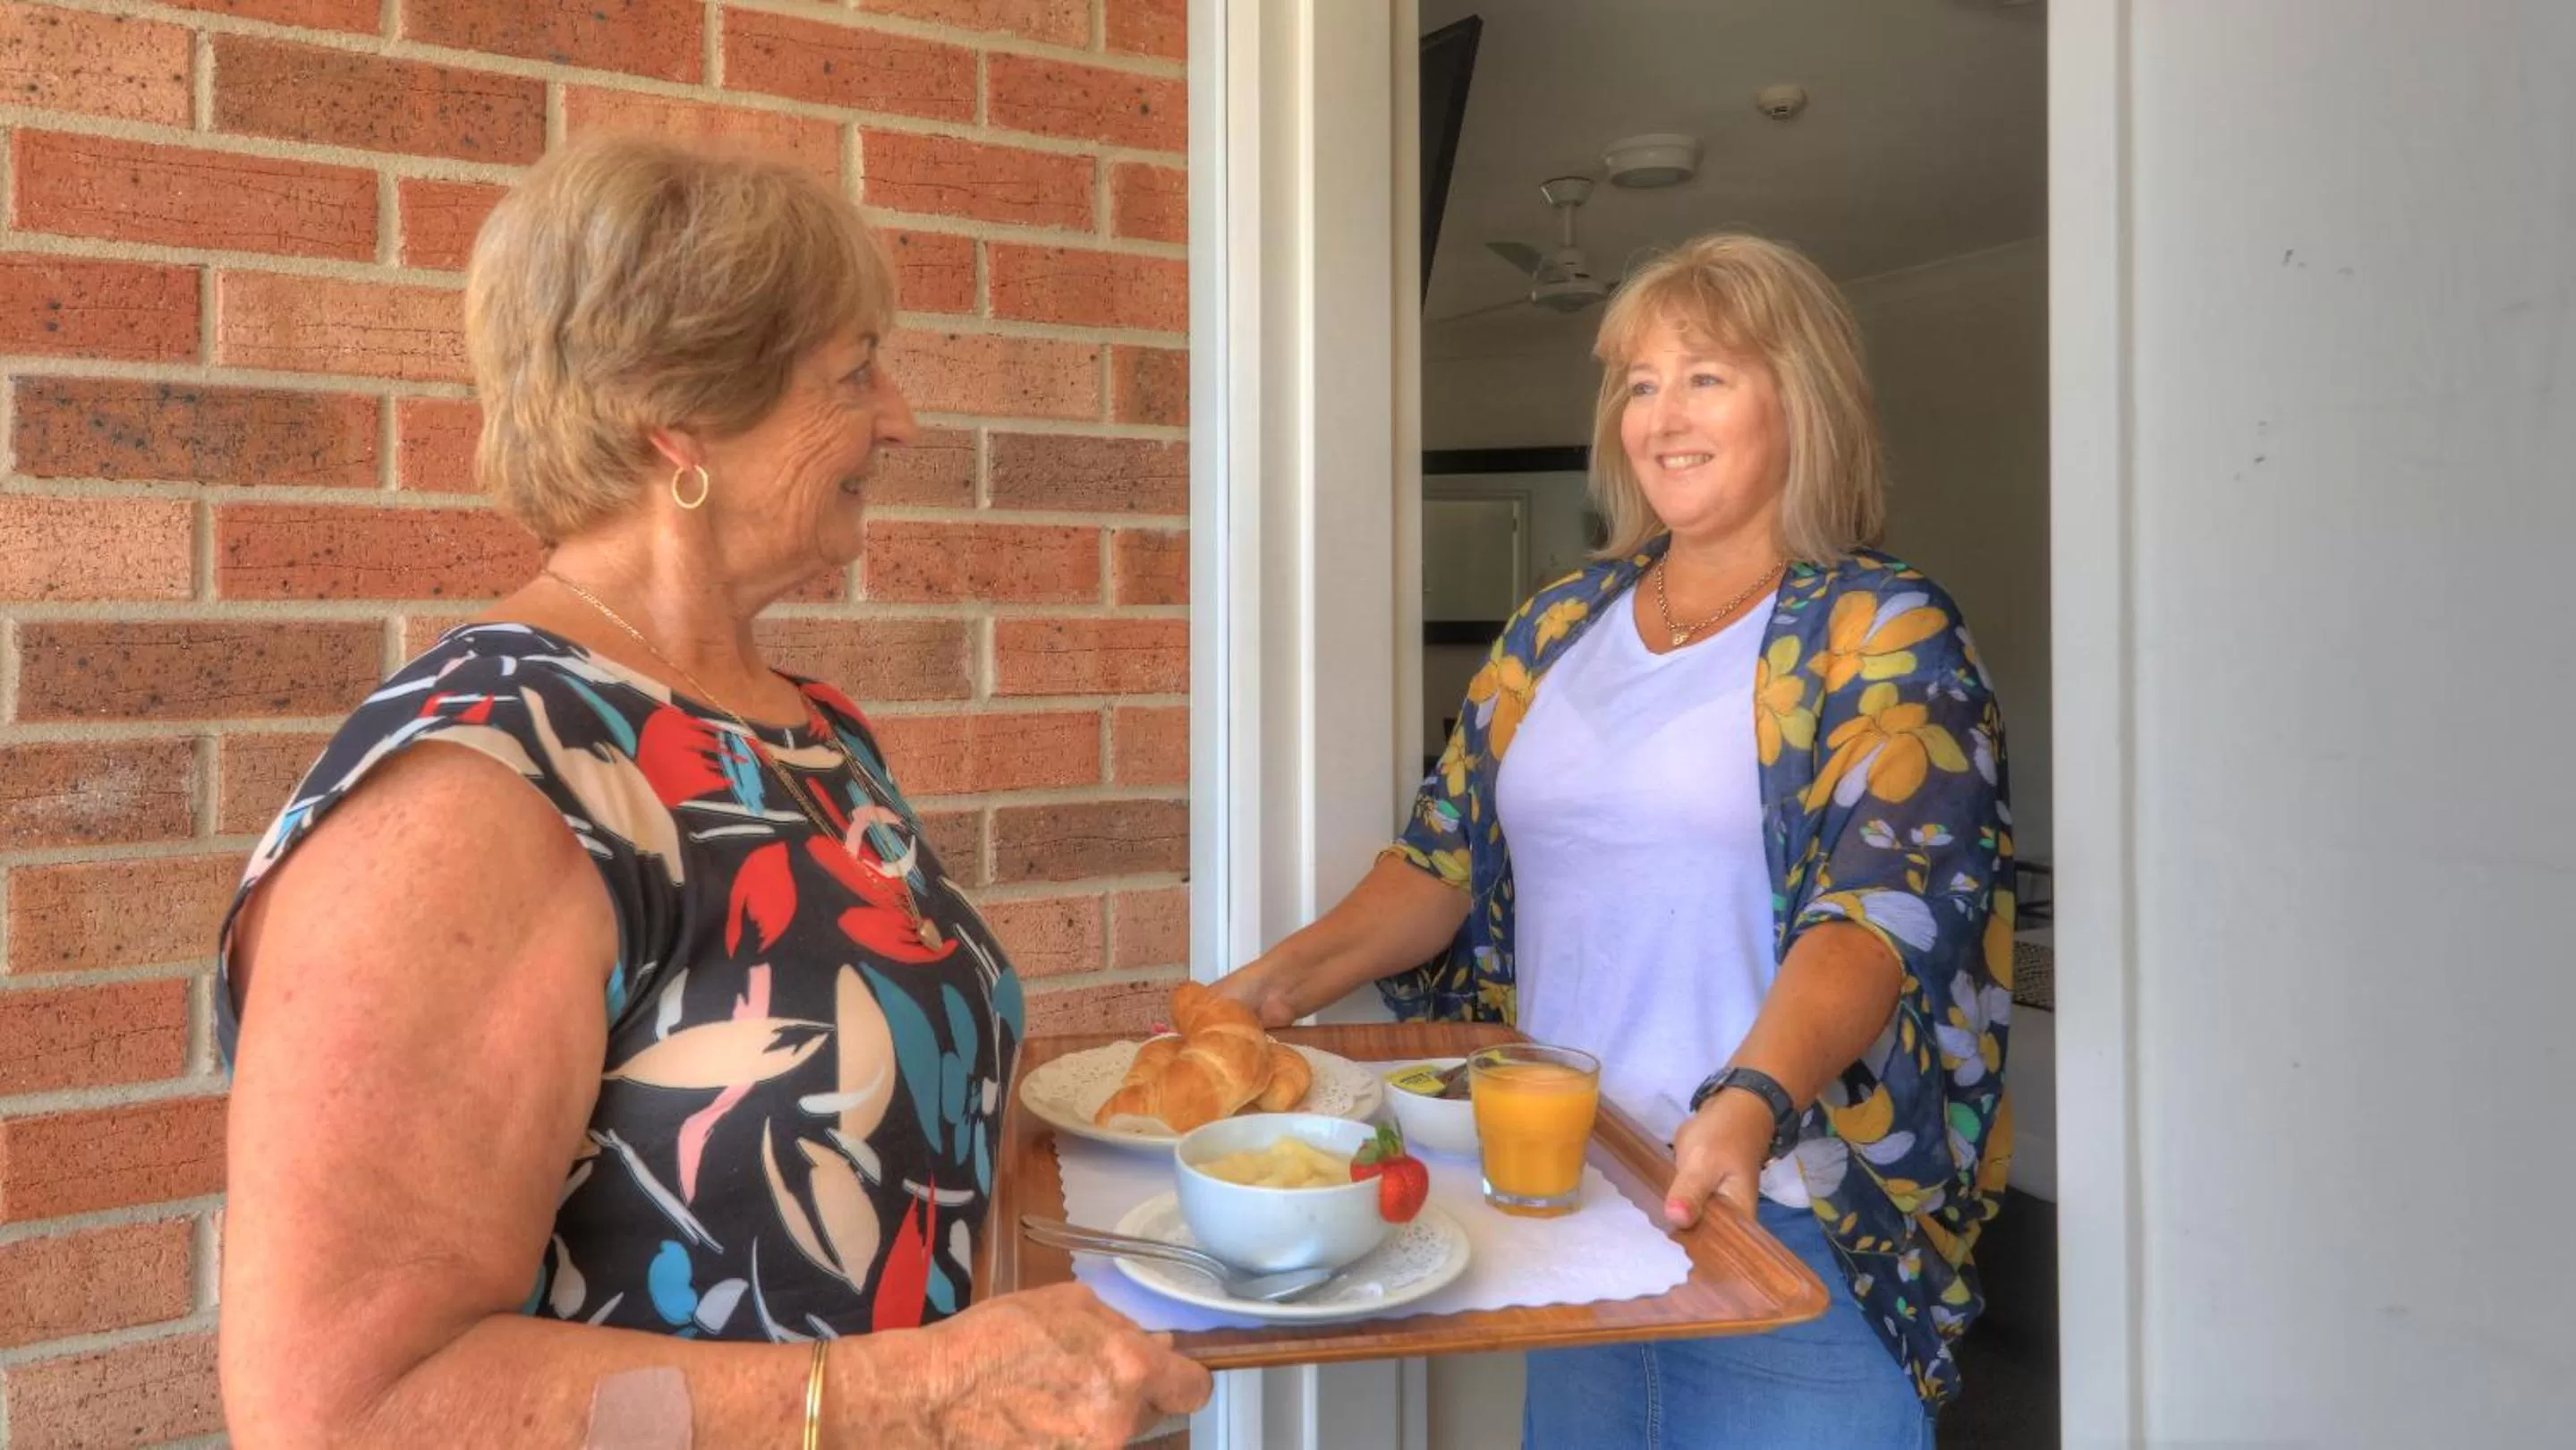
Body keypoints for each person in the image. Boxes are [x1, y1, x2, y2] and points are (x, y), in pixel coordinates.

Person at [216, 135, 1209, 1447]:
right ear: (676, 420)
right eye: (852, 370)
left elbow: (921, 1166)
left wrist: (1257, 1218)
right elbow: (341, 1414)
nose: (900, 416)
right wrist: (912, 1400)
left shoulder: (807, 734)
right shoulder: (484, 784)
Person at [1217, 233, 2013, 1446]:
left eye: (1705, 376)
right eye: (1637, 383)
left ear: (1799, 399)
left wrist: (1748, 1100)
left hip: (1774, 1213)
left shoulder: (1880, 629)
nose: (1660, 416)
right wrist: (1258, 991)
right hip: (1573, 1204)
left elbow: (1877, 920)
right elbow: (1437, 867)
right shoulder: (1556, 625)